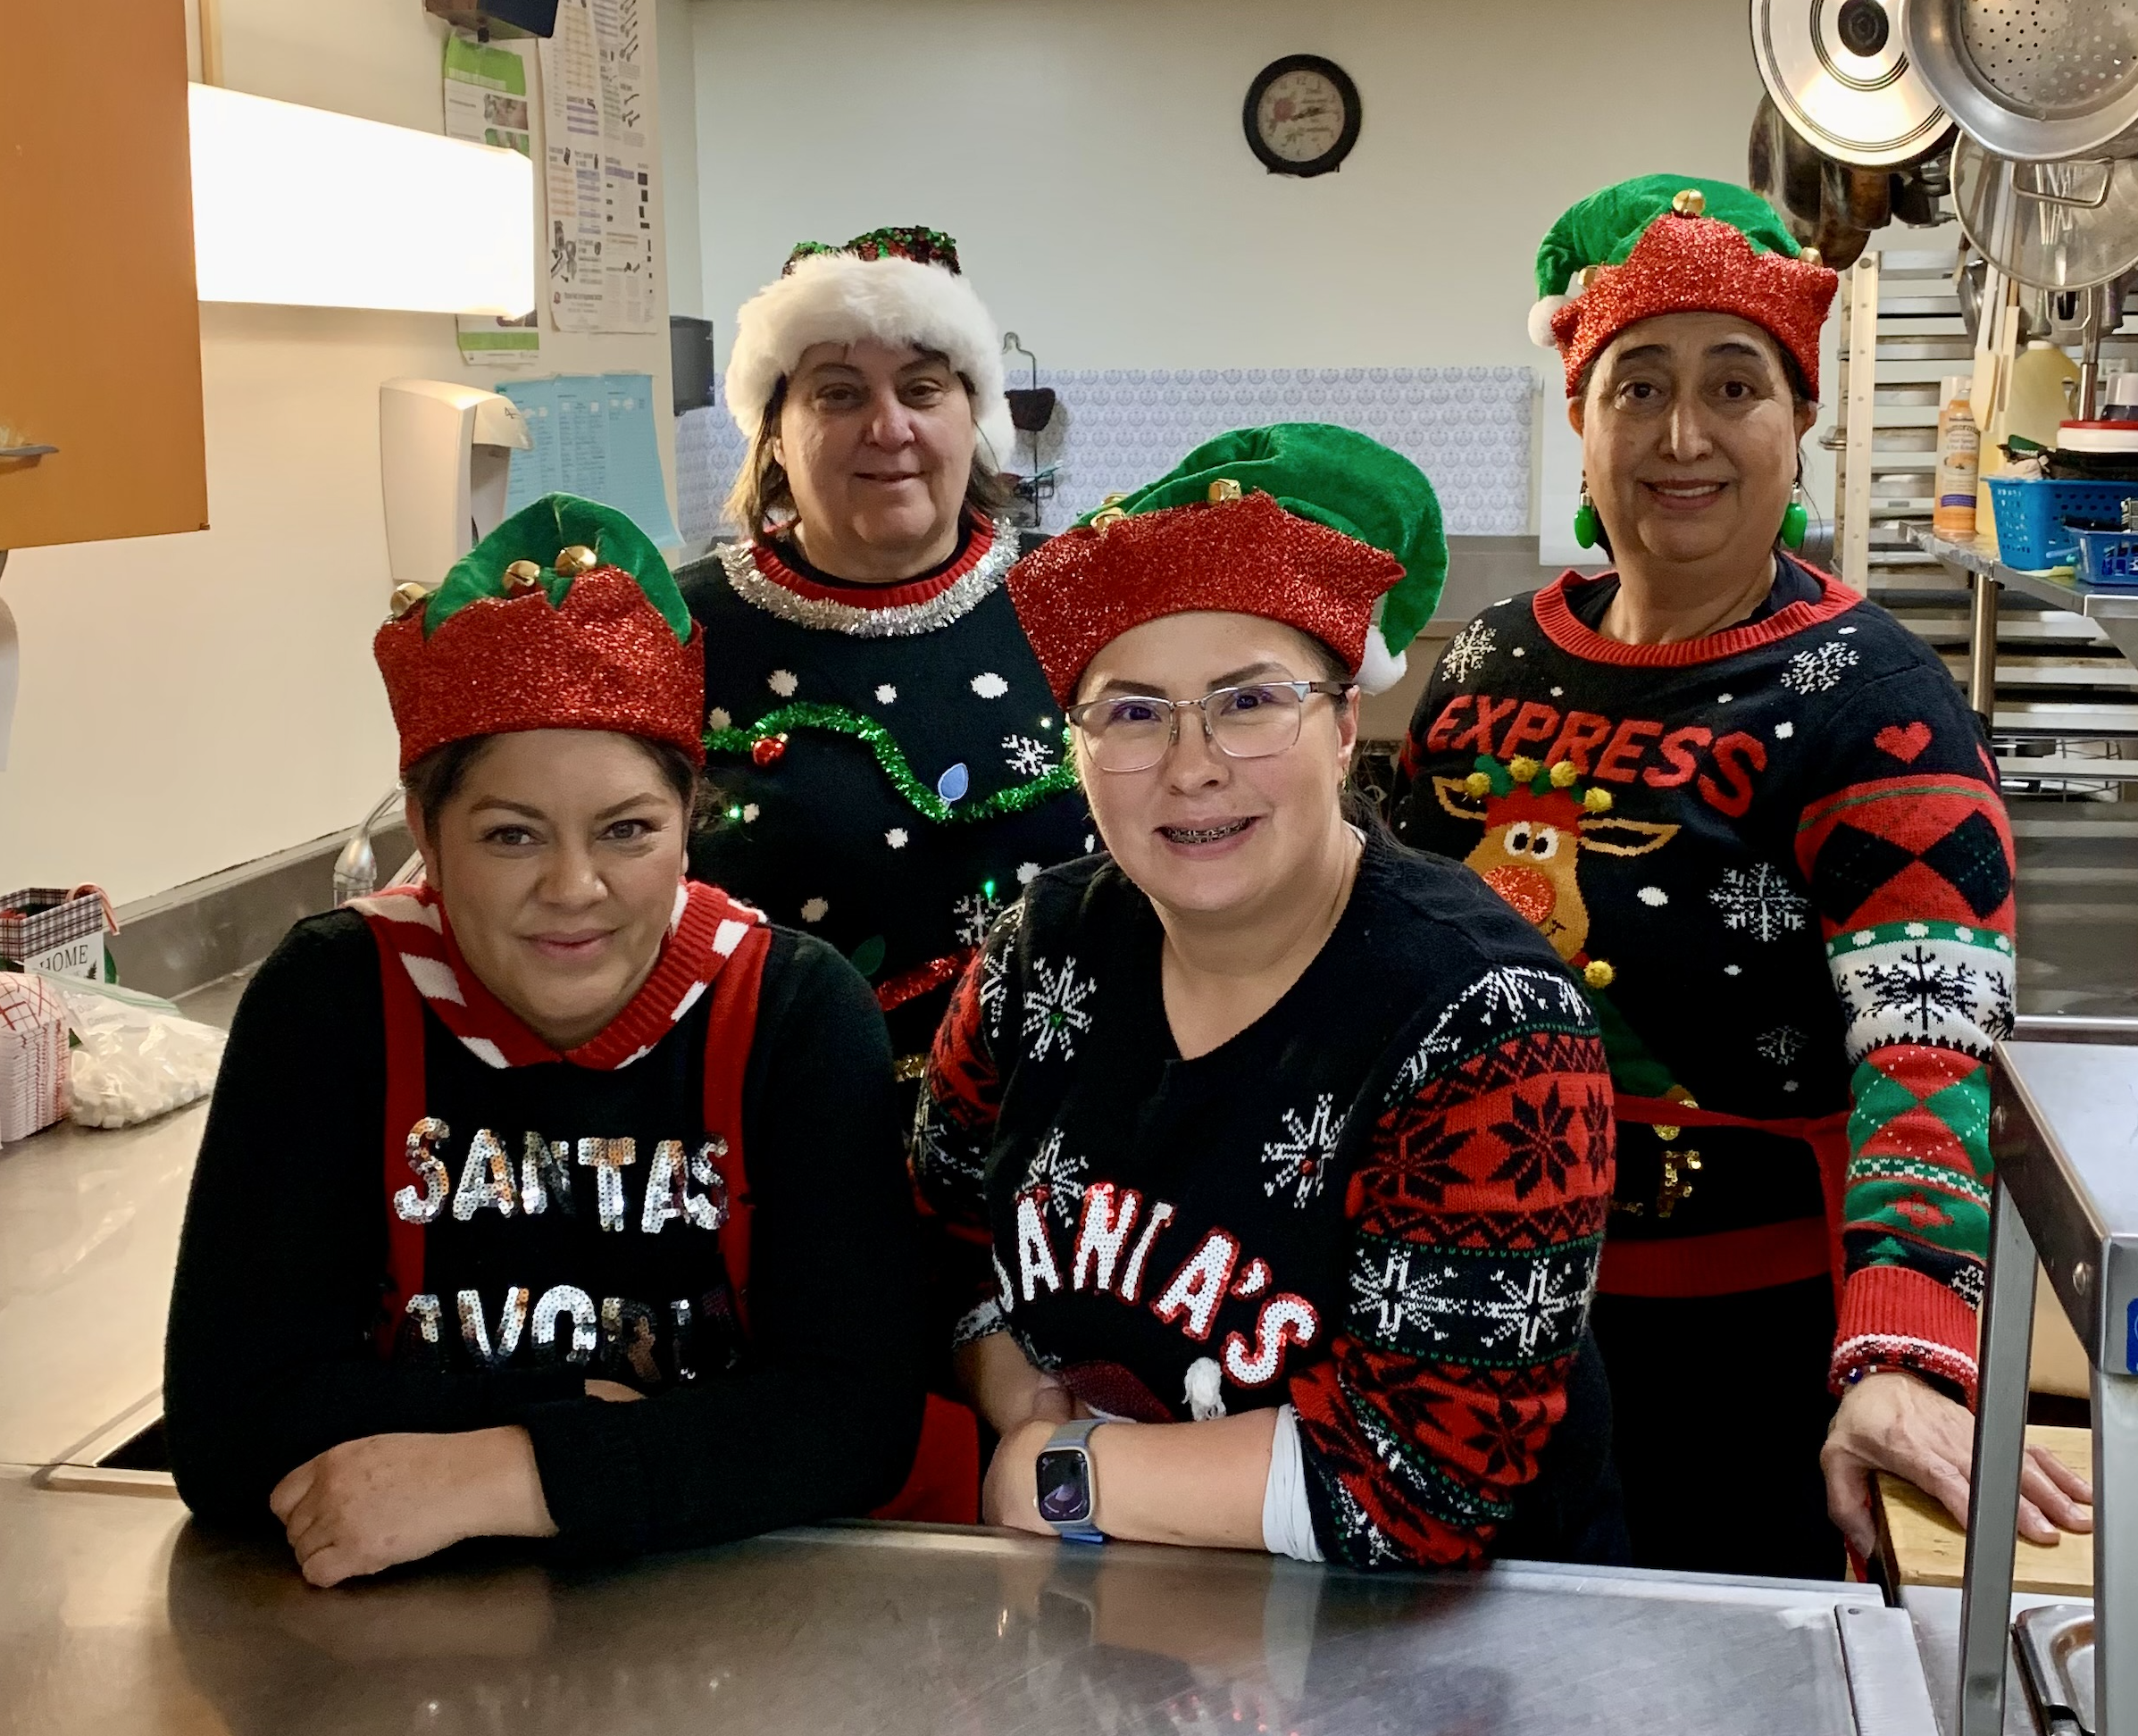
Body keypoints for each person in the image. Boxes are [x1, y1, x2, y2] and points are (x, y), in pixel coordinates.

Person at [1394, 176, 2093, 1577]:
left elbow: (1928, 1046)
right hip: (1475, 1316)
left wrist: (1900, 1350)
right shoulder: (1475, 672)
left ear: (1799, 423)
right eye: (1635, 387)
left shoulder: (1875, 698)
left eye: (1733, 385)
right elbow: (1391, 996)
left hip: (1757, 1340)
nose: (1682, 436)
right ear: (1580, 423)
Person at [164, 495, 938, 1588]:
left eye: (628, 830)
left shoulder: (793, 1012)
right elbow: (230, 1427)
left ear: (689, 821)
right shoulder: (335, 1000)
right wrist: (636, 1427)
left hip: (734, 1626)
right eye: (511, 835)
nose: (574, 891)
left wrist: (511, 1474)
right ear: (426, 834)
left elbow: (855, 1421)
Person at [914, 424, 1626, 1569]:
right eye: (1133, 713)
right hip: (1109, 1615)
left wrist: (1063, 1475)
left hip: (1439, 1650)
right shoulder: (1040, 953)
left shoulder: (1484, 1017)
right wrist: (1015, 1391)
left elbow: (1426, 1482)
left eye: (1249, 704)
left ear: (1346, 725)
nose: (1191, 766)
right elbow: (933, 1232)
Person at [676, 226, 1089, 1077]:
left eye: (923, 388)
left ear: (973, 419)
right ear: (775, 436)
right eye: (837, 394)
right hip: (779, 1122)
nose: (889, 426)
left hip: (1057, 1113)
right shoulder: (678, 629)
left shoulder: (1077, 595)